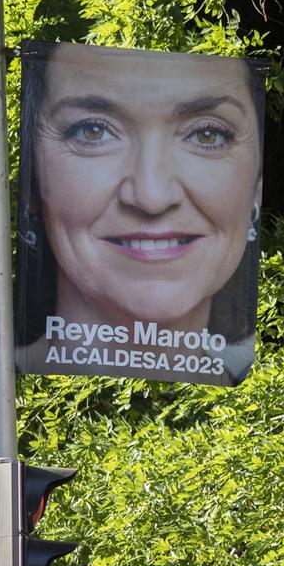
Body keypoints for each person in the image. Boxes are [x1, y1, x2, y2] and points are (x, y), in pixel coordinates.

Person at [16, 41, 265, 384]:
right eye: (93, 131)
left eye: (208, 135)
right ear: (31, 181)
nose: (152, 197)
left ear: (257, 185)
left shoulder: (276, 400)